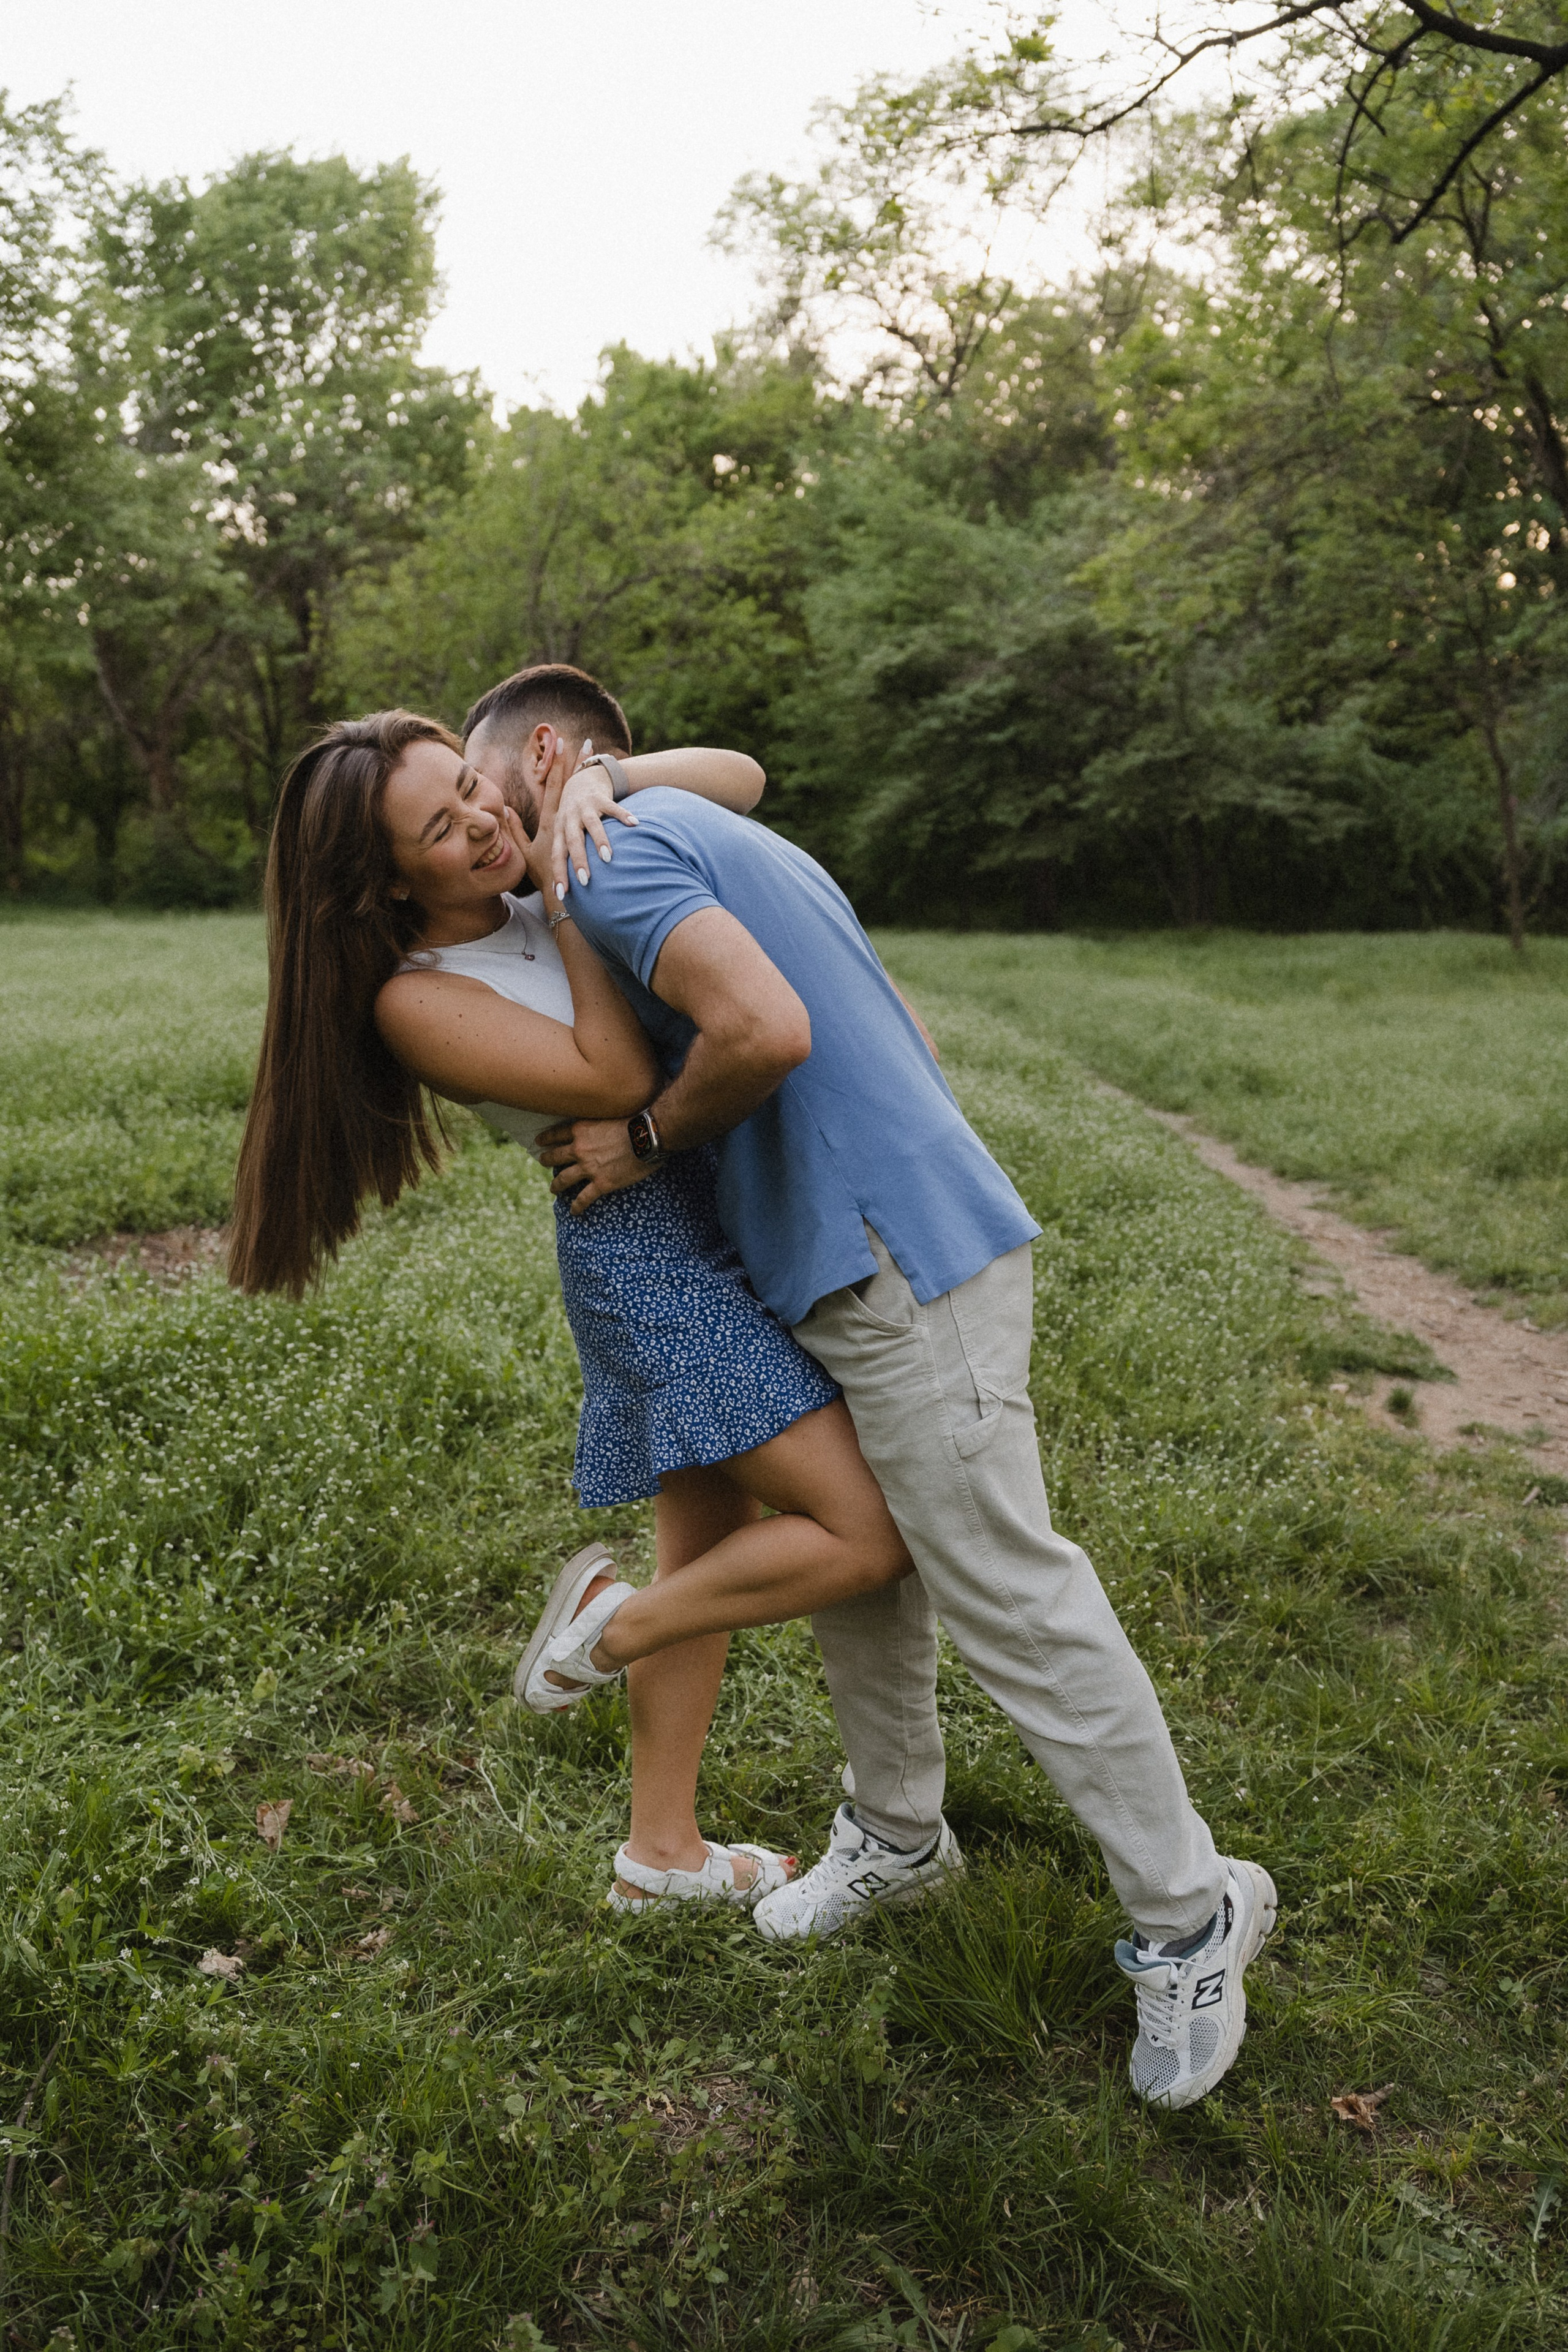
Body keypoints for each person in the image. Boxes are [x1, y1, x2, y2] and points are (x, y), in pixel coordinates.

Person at [472, 663, 1276, 2113]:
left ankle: (1190, 1914)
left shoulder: (614, 852)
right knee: (867, 1571)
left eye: (488, 794)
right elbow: (871, 990)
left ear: (547, 757)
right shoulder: (696, 828)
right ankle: (899, 1837)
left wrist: (645, 1139)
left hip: (888, 1252)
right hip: (847, 1248)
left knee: (1007, 1589)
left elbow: (766, 1034)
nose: (494, 840)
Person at [227, 705, 914, 1914]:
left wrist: (602, 781)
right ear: (378, 885)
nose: (484, 823)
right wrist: (563, 882)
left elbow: (745, 776)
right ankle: (608, 1628)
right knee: (863, 1534)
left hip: (718, 1202)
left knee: (704, 1540)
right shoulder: (417, 996)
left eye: (472, 791)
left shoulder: (543, 850)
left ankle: (660, 1854)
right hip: (647, 1261)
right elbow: (616, 1078)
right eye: (437, 830)